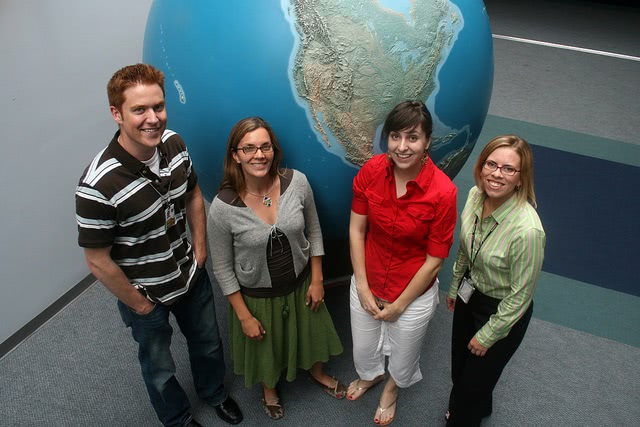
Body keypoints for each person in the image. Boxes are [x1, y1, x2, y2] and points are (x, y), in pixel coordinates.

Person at [75, 64, 243, 427]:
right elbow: (98, 261)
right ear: (116, 114)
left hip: (189, 273)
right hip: (146, 294)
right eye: (139, 110)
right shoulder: (96, 186)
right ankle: (179, 419)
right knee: (159, 367)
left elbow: (195, 193)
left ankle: (214, 393)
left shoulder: (174, 143)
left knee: (209, 344)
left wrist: (200, 249)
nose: (153, 118)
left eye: (159, 106)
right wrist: (140, 305)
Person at [208, 117, 345, 420]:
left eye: (265, 146)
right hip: (257, 297)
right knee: (266, 350)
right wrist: (244, 316)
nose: (259, 155)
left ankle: (317, 372)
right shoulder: (222, 208)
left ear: (274, 149)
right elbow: (222, 268)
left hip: (302, 283)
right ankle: (269, 390)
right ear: (236, 155)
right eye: (249, 148)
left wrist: (318, 279)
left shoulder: (297, 182)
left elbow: (314, 231)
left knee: (313, 335)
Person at [347, 101, 457, 426]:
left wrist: (399, 305)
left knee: (405, 354)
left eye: (413, 138)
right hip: (367, 281)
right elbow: (356, 230)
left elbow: (435, 260)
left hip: (412, 294)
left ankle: (392, 387)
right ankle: (371, 377)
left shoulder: (443, 192)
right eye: (395, 136)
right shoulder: (371, 171)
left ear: (427, 142)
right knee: (364, 350)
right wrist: (363, 286)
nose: (402, 146)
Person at [445, 135, 546, 426]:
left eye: (508, 169)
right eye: (491, 164)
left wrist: (489, 334)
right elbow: (467, 246)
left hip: (502, 311)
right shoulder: (477, 195)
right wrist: (455, 285)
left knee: (471, 385)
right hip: (470, 291)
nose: (496, 174)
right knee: (460, 369)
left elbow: (520, 296)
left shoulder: (527, 231)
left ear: (520, 178)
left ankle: (463, 417)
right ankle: (476, 405)